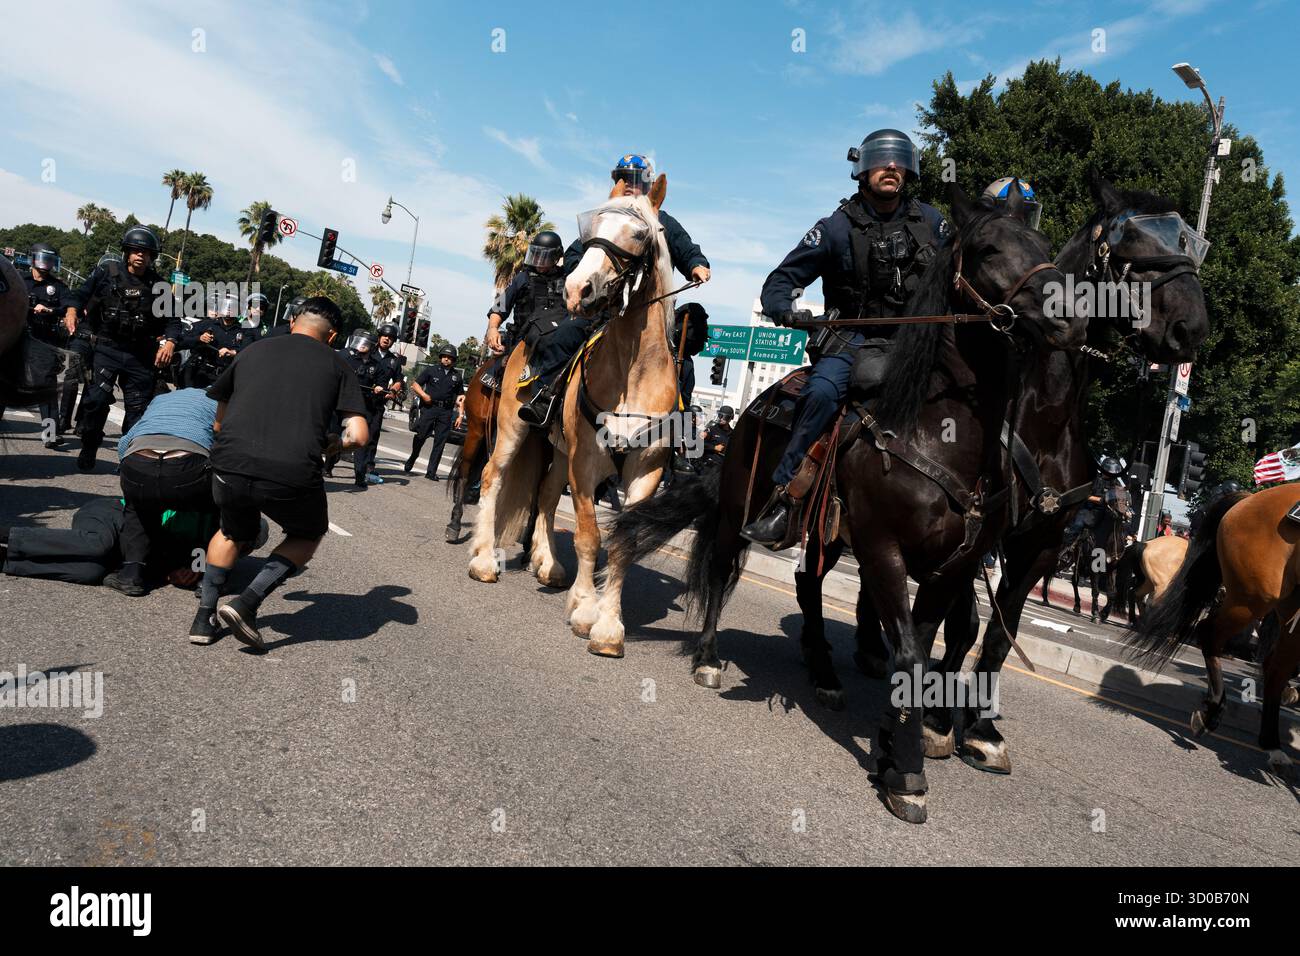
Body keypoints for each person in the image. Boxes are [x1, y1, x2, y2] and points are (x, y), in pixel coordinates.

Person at [741, 129, 948, 546]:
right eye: (882, 159)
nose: (891, 167)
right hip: (850, 338)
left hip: (916, 342)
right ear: (862, 168)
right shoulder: (833, 228)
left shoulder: (934, 222)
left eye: (899, 161)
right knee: (819, 394)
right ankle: (786, 500)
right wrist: (784, 307)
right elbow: (781, 280)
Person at [194, 297, 369, 648]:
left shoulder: (252, 351)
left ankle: (203, 618)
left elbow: (218, 422)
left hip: (229, 464)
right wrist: (335, 446)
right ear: (333, 336)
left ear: (292, 322)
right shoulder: (338, 366)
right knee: (308, 533)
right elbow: (359, 436)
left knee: (231, 531)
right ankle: (247, 603)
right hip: (290, 472)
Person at [517, 154, 712, 427]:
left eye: (633, 179)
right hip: (604, 310)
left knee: (680, 367)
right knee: (566, 335)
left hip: (648, 318)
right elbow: (576, 255)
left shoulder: (663, 220)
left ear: (647, 184)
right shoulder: (605, 218)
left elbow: (685, 248)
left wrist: (697, 265)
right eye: (621, 179)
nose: (627, 184)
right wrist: (582, 275)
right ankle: (545, 396)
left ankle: (678, 439)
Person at [67, 226, 181, 472]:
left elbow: (173, 321)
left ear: (152, 257)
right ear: (127, 252)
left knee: (137, 411)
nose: (141, 256)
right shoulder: (105, 273)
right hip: (106, 349)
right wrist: (72, 310)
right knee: (95, 402)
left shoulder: (159, 285)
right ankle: (89, 446)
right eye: (136, 251)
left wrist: (170, 342)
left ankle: (128, 460)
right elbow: (78, 295)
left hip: (140, 354)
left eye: (147, 253)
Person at [107, 387, 221, 596]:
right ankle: (205, 575)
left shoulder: (160, 400)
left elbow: (126, 442)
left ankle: (131, 574)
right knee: (214, 507)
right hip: (187, 463)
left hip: (139, 460)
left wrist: (130, 477)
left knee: (137, 507)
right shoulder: (219, 402)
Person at [483, 230, 567, 427]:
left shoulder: (568, 279)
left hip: (553, 343)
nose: (538, 260)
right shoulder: (522, 278)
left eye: (544, 256)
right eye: (536, 254)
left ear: (556, 257)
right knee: (495, 379)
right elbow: (499, 308)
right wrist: (493, 329)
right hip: (521, 341)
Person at [6, 243, 72, 447]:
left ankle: (51, 434)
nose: (46, 264)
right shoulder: (17, 279)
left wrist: (50, 310)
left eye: (50, 260)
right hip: (14, 336)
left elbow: (69, 307)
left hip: (43, 339)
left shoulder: (58, 287)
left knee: (46, 387)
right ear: (32, 259)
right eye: (43, 258)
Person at [336, 328, 387, 487]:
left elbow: (382, 383)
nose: (361, 346)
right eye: (360, 342)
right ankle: (328, 465)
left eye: (366, 344)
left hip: (363, 404)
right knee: (334, 434)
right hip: (341, 401)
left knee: (362, 441)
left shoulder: (376, 365)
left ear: (372, 347)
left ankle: (360, 475)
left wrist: (379, 388)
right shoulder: (344, 356)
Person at [406, 344, 463, 480]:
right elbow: (415, 384)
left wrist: (460, 415)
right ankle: (413, 456)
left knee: (440, 442)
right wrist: (423, 395)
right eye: (444, 356)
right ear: (440, 357)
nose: (446, 359)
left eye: (450, 357)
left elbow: (461, 397)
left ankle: (431, 471)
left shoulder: (457, 376)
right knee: (421, 436)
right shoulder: (431, 370)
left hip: (446, 411)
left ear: (453, 359)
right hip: (430, 408)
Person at [179, 293, 259, 389]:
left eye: (233, 306)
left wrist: (233, 352)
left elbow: (249, 350)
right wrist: (199, 339)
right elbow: (181, 342)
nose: (229, 309)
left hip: (224, 379)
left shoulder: (245, 330)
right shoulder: (205, 324)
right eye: (226, 305)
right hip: (197, 375)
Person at [361, 322, 405, 480]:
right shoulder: (367, 351)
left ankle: (369, 464)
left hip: (378, 402)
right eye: (385, 336)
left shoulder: (394, 361)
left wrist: (393, 390)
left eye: (391, 337)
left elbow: (399, 380)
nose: (387, 339)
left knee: (373, 433)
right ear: (379, 336)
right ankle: (332, 460)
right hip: (360, 398)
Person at [1062, 457, 1130, 550]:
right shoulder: (1094, 480)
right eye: (1109, 472)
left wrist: (1125, 509)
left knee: (1121, 528)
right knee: (1078, 524)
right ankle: (1067, 548)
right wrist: (1100, 500)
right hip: (1090, 510)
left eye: (1113, 473)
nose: (1111, 475)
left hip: (1105, 512)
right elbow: (1085, 495)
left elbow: (1121, 498)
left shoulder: (1116, 483)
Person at [700, 405, 734, 470]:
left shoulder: (733, 433)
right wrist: (714, 447)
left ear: (731, 418)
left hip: (724, 467)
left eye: (725, 417)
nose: (721, 418)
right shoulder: (711, 430)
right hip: (709, 466)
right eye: (720, 415)